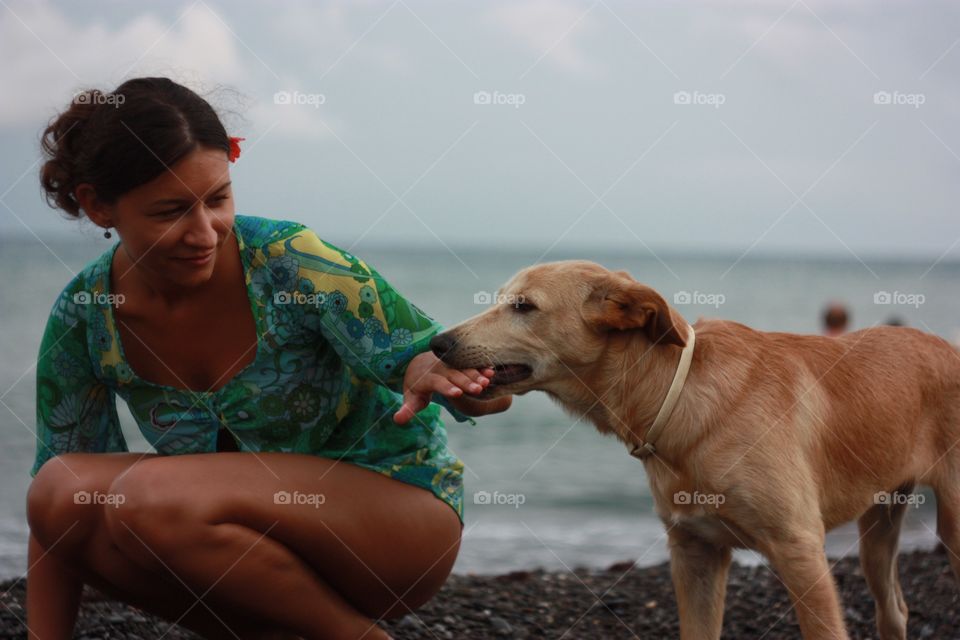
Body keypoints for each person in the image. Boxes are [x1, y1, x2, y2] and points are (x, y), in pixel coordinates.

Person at [26, 76, 512, 640]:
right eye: (170, 211)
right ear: (98, 205)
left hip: (393, 525)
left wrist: (454, 380)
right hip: (240, 558)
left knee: (147, 498)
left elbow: (415, 353)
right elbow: (54, 515)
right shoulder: (86, 313)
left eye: (218, 199)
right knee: (59, 491)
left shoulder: (289, 260)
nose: (204, 232)